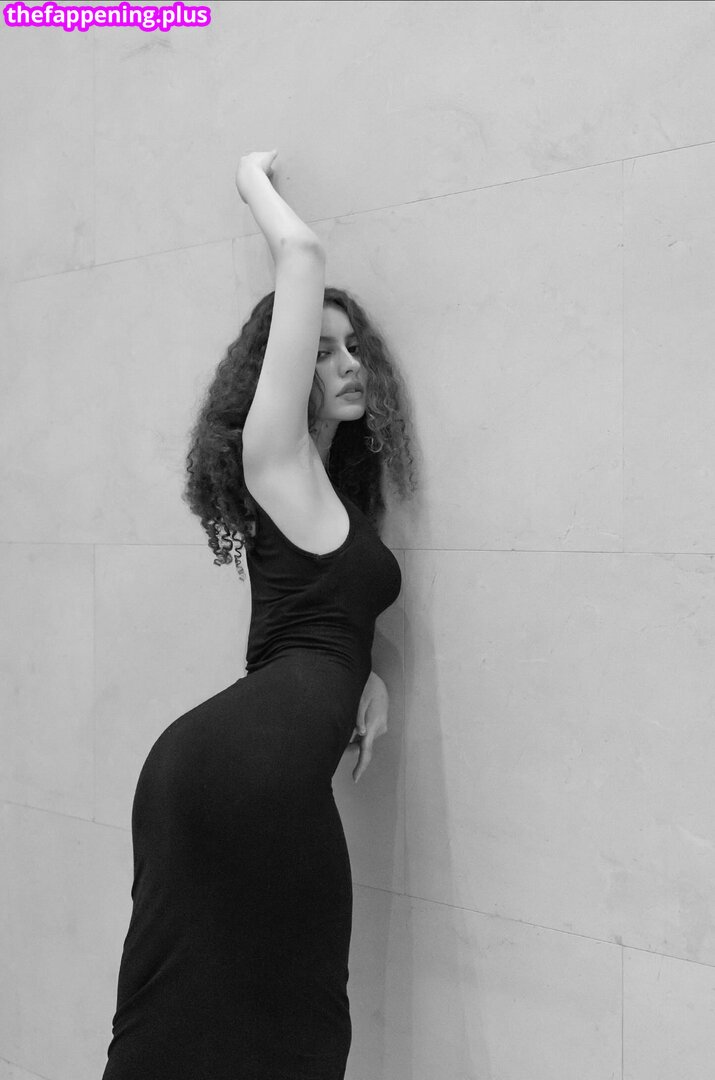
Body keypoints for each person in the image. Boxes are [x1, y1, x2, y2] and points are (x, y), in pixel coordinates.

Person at [101, 150, 416, 1080]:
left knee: (233, 1015)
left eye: (353, 349)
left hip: (239, 763)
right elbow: (302, 254)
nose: (348, 365)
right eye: (320, 350)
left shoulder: (323, 495)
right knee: (285, 1024)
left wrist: (369, 675)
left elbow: (318, 621)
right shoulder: (274, 457)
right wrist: (254, 182)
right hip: (242, 772)